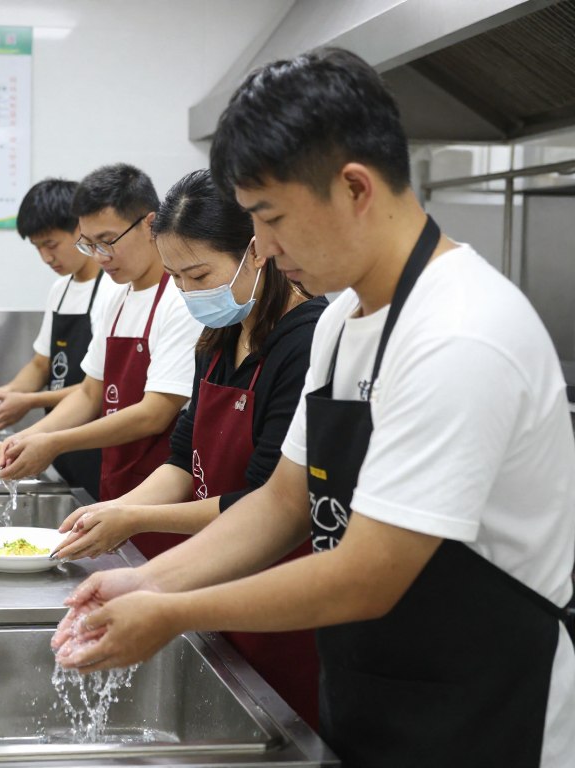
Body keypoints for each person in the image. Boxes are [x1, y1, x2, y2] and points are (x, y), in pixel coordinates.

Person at [53, 48, 575, 768]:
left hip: (486, 715)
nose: (262, 247)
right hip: (373, 692)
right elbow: (283, 501)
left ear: (354, 187)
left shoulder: (461, 330)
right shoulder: (342, 321)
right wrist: (146, 579)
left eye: (269, 218)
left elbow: (370, 570)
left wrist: (171, 610)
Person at [53, 168, 326, 725]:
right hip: (211, 575)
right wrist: (118, 510)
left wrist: (131, 518)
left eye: (198, 274)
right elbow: (182, 459)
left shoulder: (307, 342)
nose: (187, 293)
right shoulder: (220, 336)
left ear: (256, 251)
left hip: (275, 595)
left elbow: (267, 499)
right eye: (176, 278)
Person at [0, 164, 202, 555]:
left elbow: (155, 413)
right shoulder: (116, 296)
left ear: (149, 224)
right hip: (115, 489)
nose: (100, 256)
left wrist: (54, 441)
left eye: (108, 240)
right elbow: (91, 393)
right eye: (89, 244)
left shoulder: (180, 299)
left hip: (162, 501)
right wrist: (31, 437)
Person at [0, 178, 123, 498]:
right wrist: (9, 392)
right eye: (37, 247)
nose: (45, 257)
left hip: (93, 444)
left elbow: (95, 388)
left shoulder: (112, 290)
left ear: (79, 230)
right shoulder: (61, 290)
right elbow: (42, 364)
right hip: (58, 444)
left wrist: (28, 401)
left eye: (51, 244)